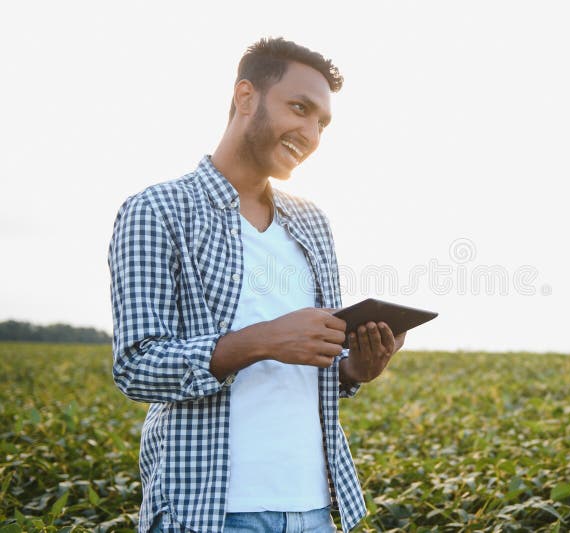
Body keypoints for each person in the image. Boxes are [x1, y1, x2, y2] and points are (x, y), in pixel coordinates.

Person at [108, 37, 404, 533]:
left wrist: (354, 369)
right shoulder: (157, 210)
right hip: (209, 511)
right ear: (246, 98)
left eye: (322, 123)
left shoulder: (312, 223)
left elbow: (318, 367)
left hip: (315, 510)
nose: (310, 133)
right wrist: (263, 340)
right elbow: (136, 366)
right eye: (299, 108)